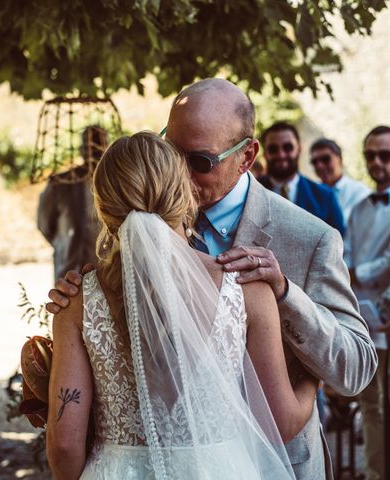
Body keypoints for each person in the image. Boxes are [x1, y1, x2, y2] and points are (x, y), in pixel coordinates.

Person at [47, 78, 377, 479]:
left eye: (200, 162)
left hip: (272, 463)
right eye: (172, 153)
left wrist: (287, 295)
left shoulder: (310, 239)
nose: (181, 175)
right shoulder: (133, 218)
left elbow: (356, 368)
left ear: (247, 156)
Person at [344, 125, 390, 480]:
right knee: (371, 405)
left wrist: (359, 272)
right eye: (371, 155)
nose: (377, 162)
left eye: (385, 155)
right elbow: (344, 254)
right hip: (367, 320)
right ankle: (376, 472)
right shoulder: (359, 210)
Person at [38, 125, 108, 279]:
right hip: (68, 269)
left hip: (107, 273)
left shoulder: (116, 183)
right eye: (90, 145)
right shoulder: (60, 183)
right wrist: (64, 244)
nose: (95, 150)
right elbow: (44, 225)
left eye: (99, 144)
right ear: (81, 149)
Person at [259, 122, 346, 234]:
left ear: (299, 149)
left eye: (288, 147)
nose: (281, 155)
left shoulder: (325, 196)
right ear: (265, 153)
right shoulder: (250, 191)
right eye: (273, 149)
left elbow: (338, 245)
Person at [310, 137, 370, 223]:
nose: (320, 166)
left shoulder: (360, 192)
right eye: (315, 161)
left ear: (340, 159)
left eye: (325, 159)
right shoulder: (311, 193)